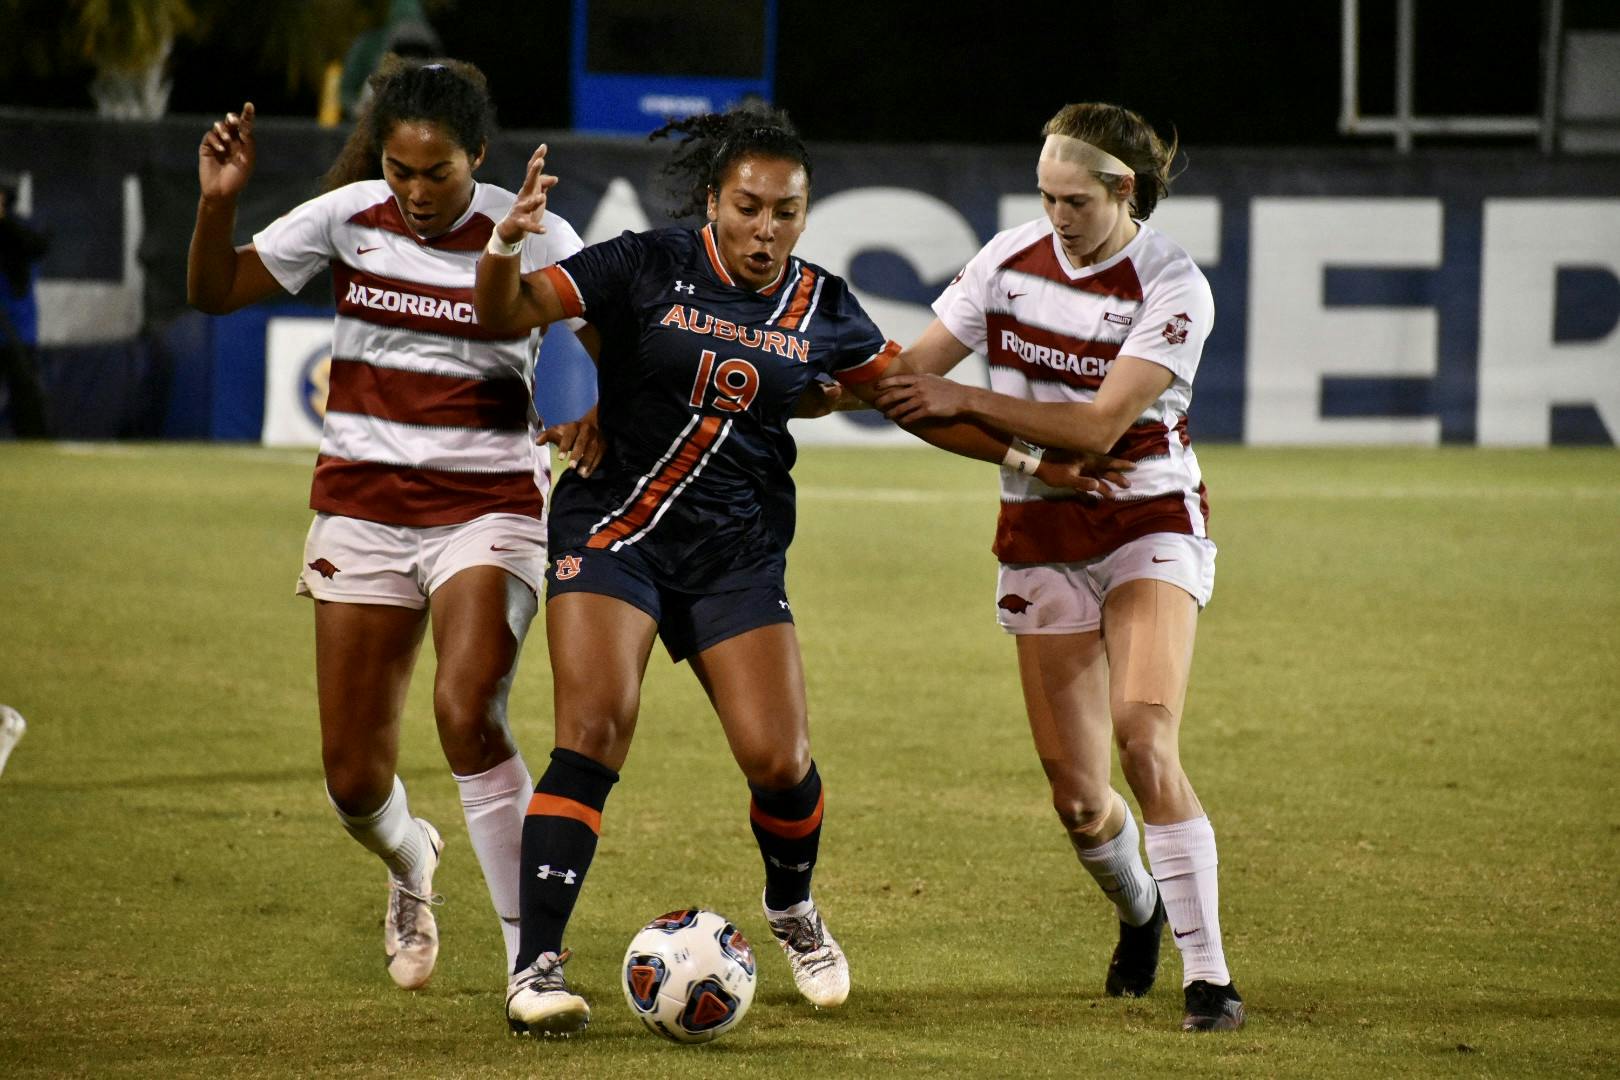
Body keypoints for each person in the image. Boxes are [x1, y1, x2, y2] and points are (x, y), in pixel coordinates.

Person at [474, 105, 1119, 1036]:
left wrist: (1032, 462)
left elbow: (916, 402)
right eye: (748, 207)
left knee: (782, 762)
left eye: (787, 211)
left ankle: (791, 911)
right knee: (595, 730)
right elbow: (512, 310)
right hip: (617, 527)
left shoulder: (824, 306)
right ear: (713, 201)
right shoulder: (644, 262)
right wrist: (505, 243)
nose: (766, 229)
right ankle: (534, 969)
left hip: (736, 551)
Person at [187, 56, 602, 992]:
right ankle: (413, 862)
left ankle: (530, 964)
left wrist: (590, 408)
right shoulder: (345, 217)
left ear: (478, 158)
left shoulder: (535, 229)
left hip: (488, 506)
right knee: (352, 779)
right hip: (363, 513)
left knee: (468, 710)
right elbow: (216, 293)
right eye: (401, 171)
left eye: (439, 174)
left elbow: (598, 342)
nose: (416, 192)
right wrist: (218, 201)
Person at [872, 102, 1245, 1033]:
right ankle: (1143, 911)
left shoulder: (1173, 286)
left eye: (1073, 200)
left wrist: (965, 392)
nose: (1056, 217)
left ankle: (1211, 979)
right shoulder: (1006, 260)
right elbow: (905, 391)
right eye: (1045, 197)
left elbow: (1096, 426)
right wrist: (1023, 462)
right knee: (1082, 802)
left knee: (1143, 737)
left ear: (1124, 191)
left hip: (1149, 518)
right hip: (1041, 533)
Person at [0, 174, 52, 438]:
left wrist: (4, 221)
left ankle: (33, 444)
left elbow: (38, 246)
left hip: (16, 330)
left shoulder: (19, 229)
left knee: (25, 394)